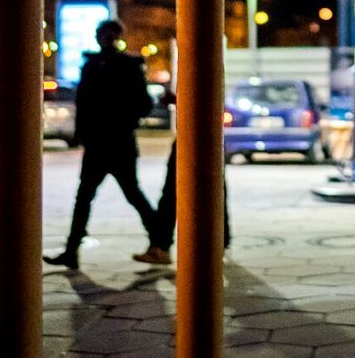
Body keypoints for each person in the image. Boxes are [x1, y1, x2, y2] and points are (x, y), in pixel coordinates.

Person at [43, 19, 158, 270]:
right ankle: (72, 250)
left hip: (116, 142)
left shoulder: (125, 66)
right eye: (103, 34)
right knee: (89, 196)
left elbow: (144, 103)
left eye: (110, 34)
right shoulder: (93, 65)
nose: (106, 39)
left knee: (127, 193)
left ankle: (158, 241)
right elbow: (83, 104)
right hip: (102, 143)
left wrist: (121, 118)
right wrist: (81, 134)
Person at [135, 136, 230, 265]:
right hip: (208, 137)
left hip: (190, 136)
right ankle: (218, 243)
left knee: (173, 192)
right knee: (213, 190)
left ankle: (160, 245)